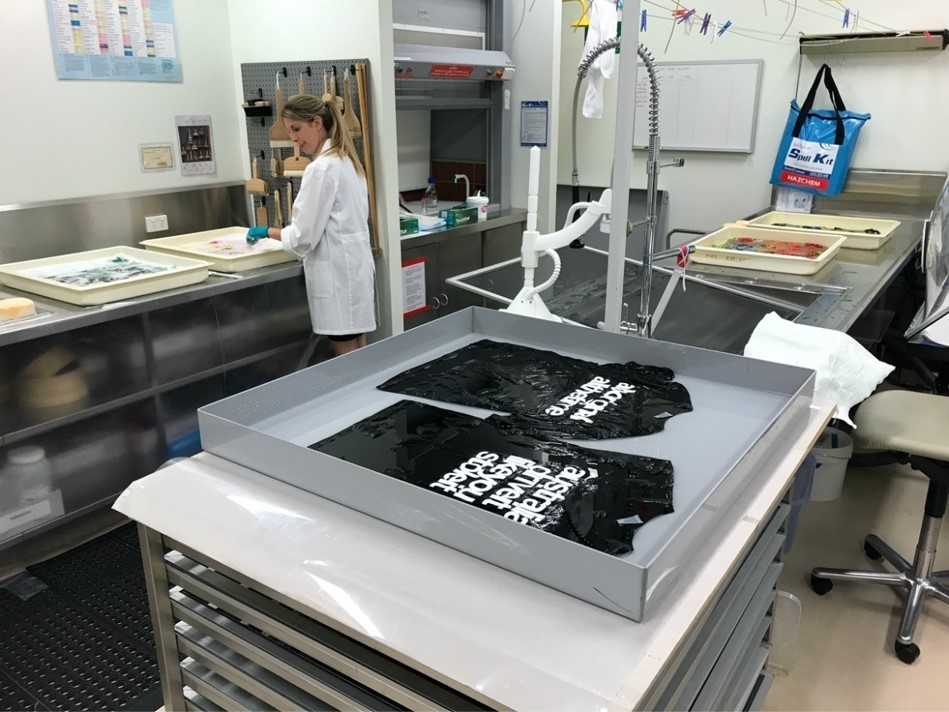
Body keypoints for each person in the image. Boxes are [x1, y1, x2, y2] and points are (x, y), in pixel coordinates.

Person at [247, 94, 376, 357]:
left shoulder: (321, 168)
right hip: (353, 275)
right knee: (361, 355)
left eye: (296, 129)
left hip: (340, 280)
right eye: (289, 131)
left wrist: (268, 232)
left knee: (349, 361)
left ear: (317, 123)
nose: (293, 138)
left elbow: (303, 237)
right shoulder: (347, 161)